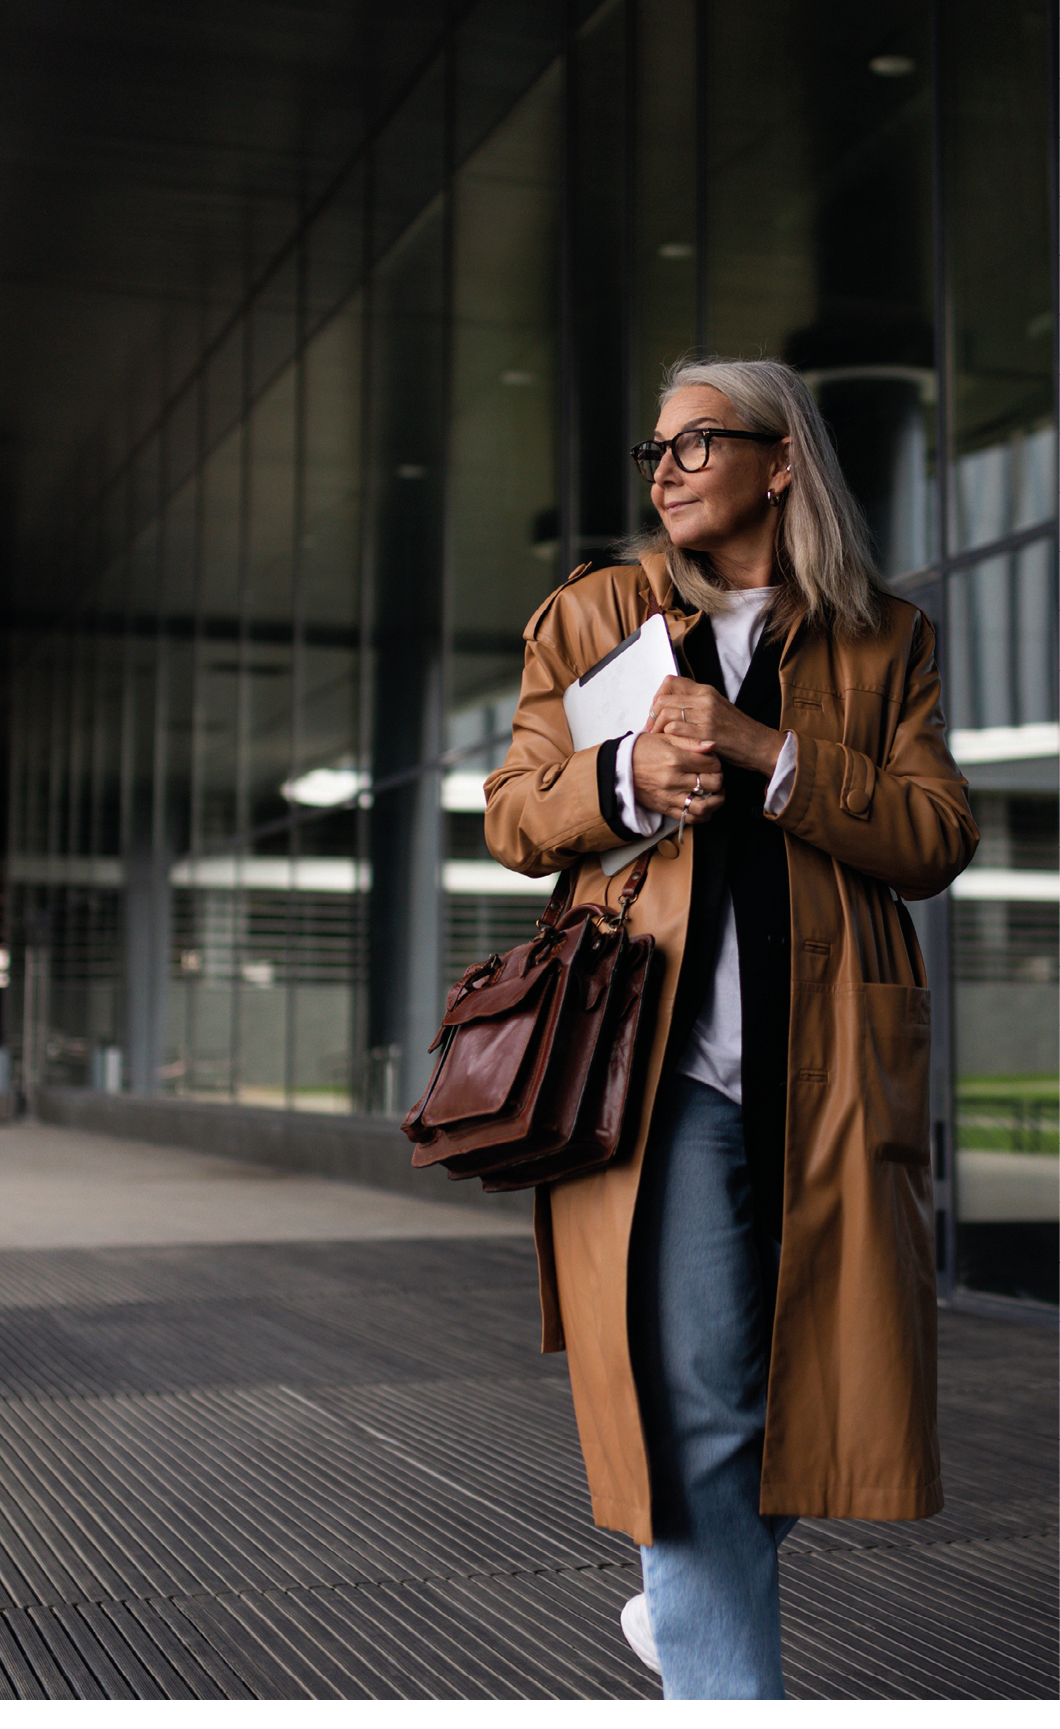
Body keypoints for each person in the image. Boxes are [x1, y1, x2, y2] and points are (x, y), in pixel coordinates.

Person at [482, 356, 978, 1699]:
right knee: (697, 1394)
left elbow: (934, 833)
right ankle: (723, 1688)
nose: (666, 467)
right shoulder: (593, 613)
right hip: (657, 1074)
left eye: (699, 440)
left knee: (798, 1391)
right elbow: (515, 813)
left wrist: (765, 752)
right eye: (654, 447)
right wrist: (620, 774)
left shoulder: (884, 636)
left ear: (781, 460)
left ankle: (682, 1596)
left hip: (827, 1069)